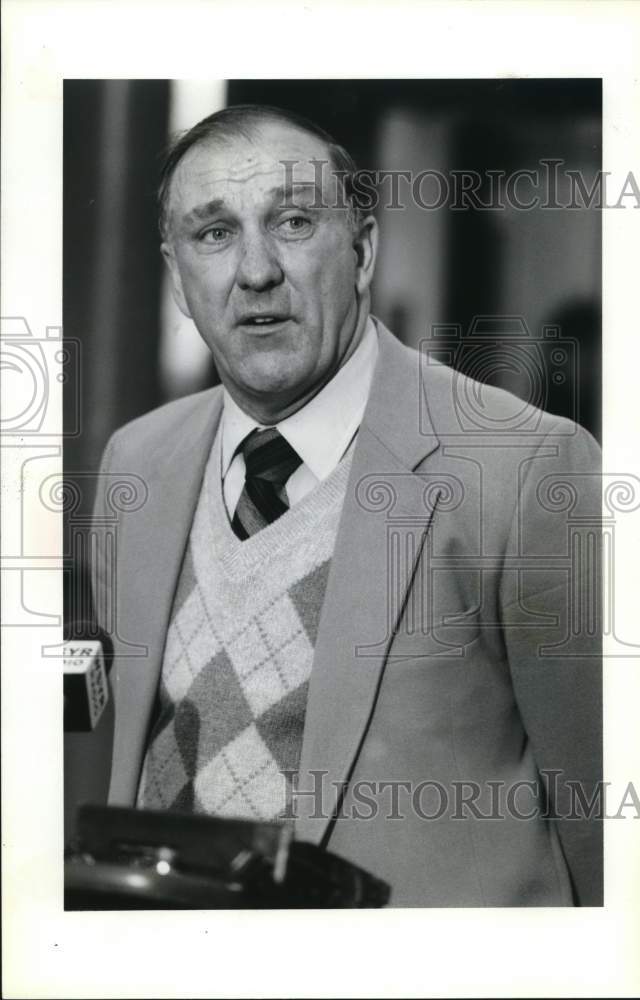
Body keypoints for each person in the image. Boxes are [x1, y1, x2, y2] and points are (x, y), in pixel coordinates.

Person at [92, 104, 602, 907]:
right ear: (179, 276)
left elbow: (605, 828)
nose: (255, 271)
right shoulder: (138, 463)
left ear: (362, 251)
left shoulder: (525, 467)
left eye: (293, 222)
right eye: (214, 233)